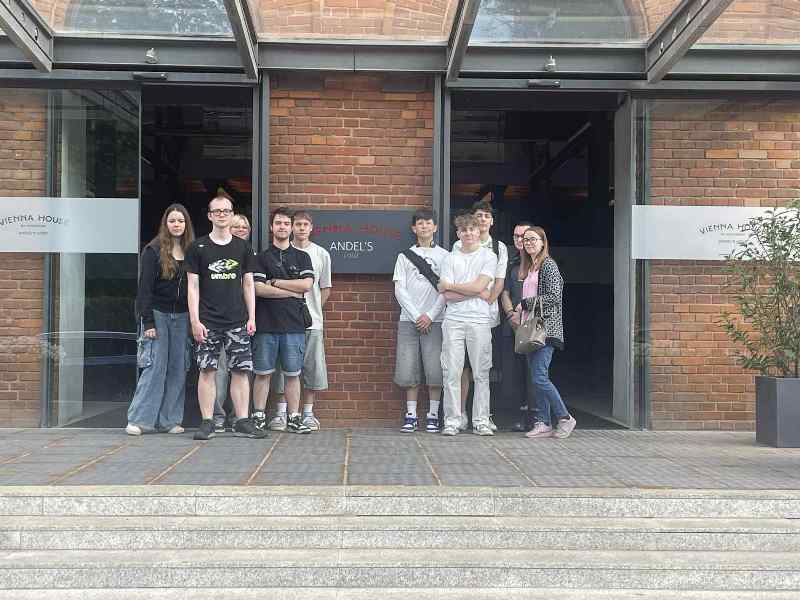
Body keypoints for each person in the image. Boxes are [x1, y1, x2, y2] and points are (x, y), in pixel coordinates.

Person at [185, 190, 265, 440]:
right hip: (207, 321)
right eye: (217, 211)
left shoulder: (243, 247)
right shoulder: (197, 247)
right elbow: (192, 286)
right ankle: (207, 422)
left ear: (231, 215)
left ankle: (242, 421)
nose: (222, 215)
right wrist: (195, 321)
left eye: (226, 211)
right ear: (210, 216)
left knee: (241, 371)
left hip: (237, 320)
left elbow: (248, 284)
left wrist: (252, 317)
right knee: (207, 371)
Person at [126, 204, 194, 436]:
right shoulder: (153, 250)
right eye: (172, 221)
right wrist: (148, 322)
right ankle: (139, 420)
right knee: (154, 367)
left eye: (181, 221)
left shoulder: (193, 250)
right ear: (166, 224)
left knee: (178, 369)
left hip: (183, 317)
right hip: (158, 314)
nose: (177, 225)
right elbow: (144, 290)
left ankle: (169, 421)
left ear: (186, 224)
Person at [266, 210, 333, 431]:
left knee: (311, 368)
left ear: (311, 228)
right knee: (284, 368)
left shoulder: (321, 254)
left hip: (312, 322)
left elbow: (325, 288)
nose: (301, 228)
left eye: (306, 224)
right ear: (291, 227)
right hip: (284, 321)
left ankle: (308, 413)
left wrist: (310, 311)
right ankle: (281, 413)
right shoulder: (281, 253)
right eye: (298, 224)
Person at [252, 207, 315, 434]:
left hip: (294, 325)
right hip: (266, 325)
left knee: (293, 375)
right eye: (278, 223)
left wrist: (275, 282)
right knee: (262, 374)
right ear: (271, 227)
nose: (282, 227)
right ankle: (258, 417)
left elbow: (306, 285)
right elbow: (258, 289)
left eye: (286, 223)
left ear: (291, 228)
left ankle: (294, 418)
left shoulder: (302, 256)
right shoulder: (260, 258)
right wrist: (292, 291)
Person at [512, 226, 576, 439]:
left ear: (542, 242)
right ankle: (544, 423)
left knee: (539, 377)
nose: (529, 243)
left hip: (546, 330)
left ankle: (565, 418)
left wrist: (524, 304)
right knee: (537, 377)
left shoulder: (548, 265)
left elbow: (554, 297)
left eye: (533, 239)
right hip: (531, 330)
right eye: (526, 239)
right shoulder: (531, 267)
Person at [437, 211, 498, 436]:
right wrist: (474, 291)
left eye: (472, 229)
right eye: (464, 230)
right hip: (453, 320)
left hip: (479, 320)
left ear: (478, 231)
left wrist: (452, 286)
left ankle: (481, 421)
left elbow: (478, 286)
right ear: (458, 233)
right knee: (451, 372)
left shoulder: (488, 257)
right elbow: (447, 295)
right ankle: (452, 421)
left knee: (481, 373)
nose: (469, 233)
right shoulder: (450, 258)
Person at [452, 200, 507, 430]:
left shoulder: (499, 248)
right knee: (462, 367)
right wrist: (475, 292)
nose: (482, 219)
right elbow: (457, 280)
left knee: (483, 368)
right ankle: (461, 413)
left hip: (487, 314)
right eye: (479, 215)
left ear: (492, 221)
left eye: (486, 216)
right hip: (462, 311)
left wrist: (489, 300)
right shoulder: (459, 245)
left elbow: (500, 281)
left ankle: (484, 415)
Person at [393, 209, 448, 433]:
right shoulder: (404, 256)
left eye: (428, 223)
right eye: (420, 223)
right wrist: (417, 316)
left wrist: (430, 315)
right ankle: (411, 414)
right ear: (413, 228)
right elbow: (399, 289)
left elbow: (446, 290)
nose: (424, 226)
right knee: (408, 368)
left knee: (435, 369)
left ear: (435, 227)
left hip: (436, 320)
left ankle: (433, 415)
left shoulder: (445, 256)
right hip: (409, 320)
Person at [212, 213, 252, 432]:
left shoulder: (249, 254)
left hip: (244, 322)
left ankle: (239, 417)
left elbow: (252, 287)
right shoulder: (215, 252)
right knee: (218, 372)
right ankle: (217, 417)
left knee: (242, 371)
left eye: (245, 227)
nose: (240, 230)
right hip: (218, 322)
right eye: (236, 226)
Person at [501, 221, 535, 431]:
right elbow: (504, 292)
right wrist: (510, 314)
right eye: (516, 236)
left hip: (533, 325)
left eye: (524, 236)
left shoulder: (541, 263)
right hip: (512, 325)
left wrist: (523, 313)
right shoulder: (510, 262)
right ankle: (518, 416)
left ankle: (535, 417)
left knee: (533, 373)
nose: (520, 240)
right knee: (513, 375)